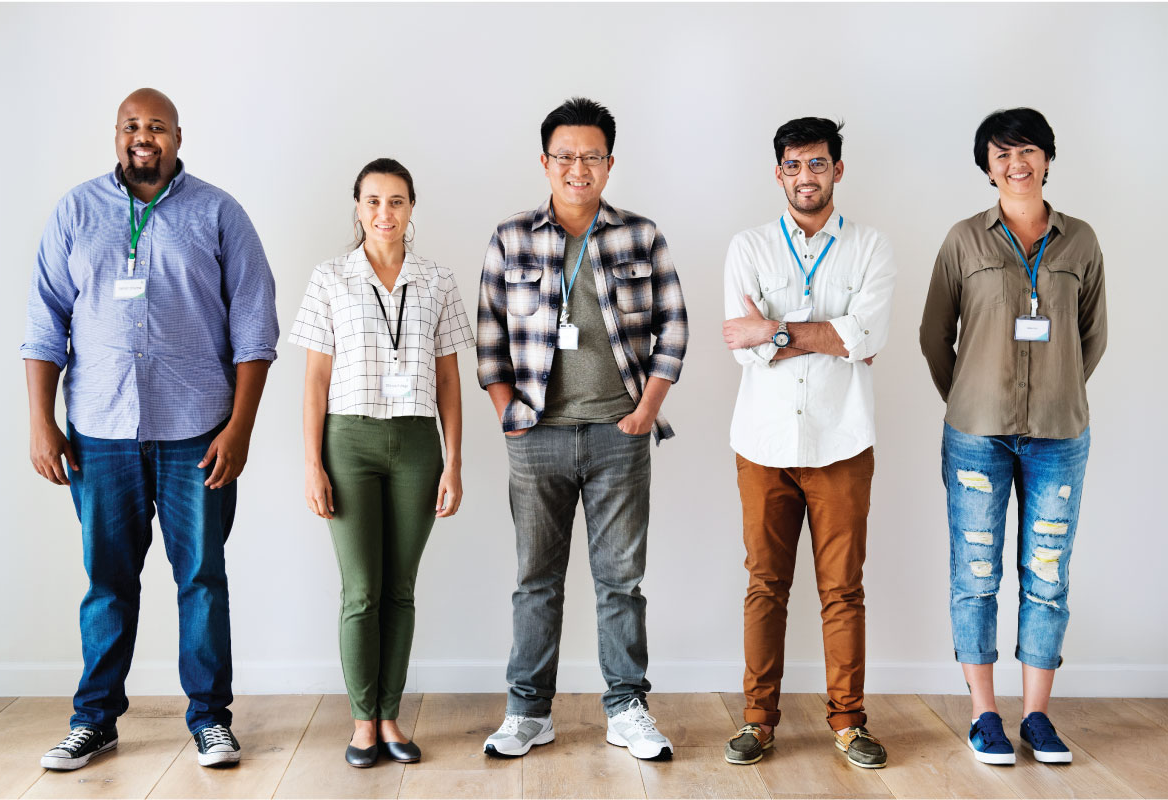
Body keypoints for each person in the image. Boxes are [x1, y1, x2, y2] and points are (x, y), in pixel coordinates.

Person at [22, 89, 279, 770]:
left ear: (177, 136)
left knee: (201, 577)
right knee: (106, 581)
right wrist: (41, 424)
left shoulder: (219, 213)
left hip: (197, 432)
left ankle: (210, 720)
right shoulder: (75, 212)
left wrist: (241, 430)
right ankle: (94, 719)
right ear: (115, 135)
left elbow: (256, 330)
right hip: (98, 433)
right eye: (133, 126)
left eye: (157, 126)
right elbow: (43, 326)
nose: (145, 137)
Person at [476, 97, 688, 761]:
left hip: (616, 436)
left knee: (619, 583)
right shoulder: (510, 237)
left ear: (608, 163)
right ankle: (526, 712)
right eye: (564, 156)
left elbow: (672, 327)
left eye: (590, 156)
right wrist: (508, 413)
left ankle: (626, 707)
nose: (576, 168)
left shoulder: (640, 235)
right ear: (544, 162)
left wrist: (645, 413)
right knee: (534, 580)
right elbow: (488, 335)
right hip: (535, 437)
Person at [919, 108, 1107, 766]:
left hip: (1059, 435)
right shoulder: (962, 240)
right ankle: (984, 716)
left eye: (1026, 150)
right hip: (975, 437)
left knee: (1046, 578)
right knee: (974, 578)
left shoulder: (1079, 241)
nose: (1014, 163)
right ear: (986, 167)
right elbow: (932, 335)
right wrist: (971, 394)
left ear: (1047, 158)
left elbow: (1092, 337)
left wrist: (1055, 388)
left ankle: (1037, 717)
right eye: (1000, 154)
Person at [721, 118, 896, 769]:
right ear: (778, 174)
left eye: (817, 164)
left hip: (842, 441)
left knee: (841, 588)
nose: (805, 176)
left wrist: (772, 328)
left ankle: (848, 723)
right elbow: (743, 351)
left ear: (837, 171)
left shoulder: (871, 248)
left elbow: (868, 337)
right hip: (762, 444)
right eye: (793, 165)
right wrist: (831, 335)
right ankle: (757, 722)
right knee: (764, 585)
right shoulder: (747, 246)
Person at [289, 158, 474, 768]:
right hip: (349, 442)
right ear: (357, 208)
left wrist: (453, 462)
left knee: (400, 588)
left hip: (418, 445)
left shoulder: (438, 282)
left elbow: (450, 379)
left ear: (412, 207)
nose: (384, 213)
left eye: (396, 201)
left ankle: (391, 717)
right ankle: (362, 721)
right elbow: (315, 381)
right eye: (372, 201)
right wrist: (312, 464)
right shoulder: (330, 279)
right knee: (361, 590)